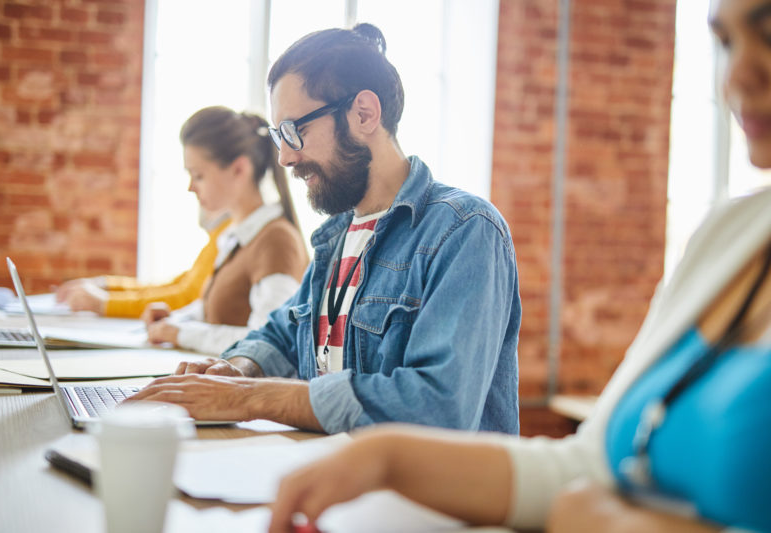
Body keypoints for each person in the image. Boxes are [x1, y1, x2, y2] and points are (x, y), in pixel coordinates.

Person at [267, 1, 771, 531]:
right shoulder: (726, 235)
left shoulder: (464, 227)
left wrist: (608, 521)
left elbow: (445, 410)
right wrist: (382, 458)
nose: (736, 75)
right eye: (725, 42)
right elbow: (587, 465)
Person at [129, 24, 521, 435]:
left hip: (425, 497)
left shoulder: (465, 231)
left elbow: (435, 405)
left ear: (364, 113)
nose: (284, 158)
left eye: (294, 131)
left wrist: (249, 399)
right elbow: (284, 332)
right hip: (336, 476)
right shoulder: (337, 236)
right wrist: (234, 371)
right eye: (279, 136)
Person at [134, 107, 310, 356]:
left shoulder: (276, 241)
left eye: (199, 175)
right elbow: (222, 311)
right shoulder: (237, 234)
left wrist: (180, 333)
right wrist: (175, 319)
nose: (191, 187)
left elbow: (270, 340)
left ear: (239, 169)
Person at [55, 207, 230, 319]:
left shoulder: (228, 233)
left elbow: (186, 298)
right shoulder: (220, 234)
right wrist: (107, 285)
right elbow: (178, 284)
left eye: (199, 176)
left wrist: (106, 303)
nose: (191, 187)